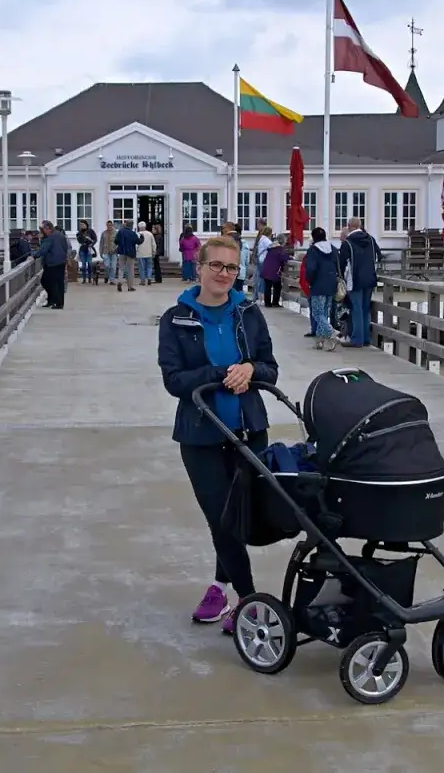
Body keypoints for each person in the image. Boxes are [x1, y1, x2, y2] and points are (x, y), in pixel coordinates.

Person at [158, 234, 279, 634]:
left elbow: (269, 367)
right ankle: (247, 601)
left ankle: (219, 586)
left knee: (239, 518)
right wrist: (224, 374)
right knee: (220, 520)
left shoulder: (248, 313)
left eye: (231, 267)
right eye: (217, 266)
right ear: (199, 267)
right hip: (200, 436)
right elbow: (175, 381)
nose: (224, 274)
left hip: (249, 430)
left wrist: (252, 370)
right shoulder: (175, 319)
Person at [337, 218, 381, 348]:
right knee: (365, 308)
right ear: (360, 226)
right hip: (370, 278)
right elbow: (378, 256)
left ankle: (357, 339)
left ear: (349, 226)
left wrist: (341, 277)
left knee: (356, 308)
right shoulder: (371, 240)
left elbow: (341, 263)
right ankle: (366, 338)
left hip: (354, 279)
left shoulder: (348, 243)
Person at [304, 227, 340, 350]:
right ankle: (320, 341)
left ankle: (331, 333)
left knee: (317, 313)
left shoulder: (313, 251)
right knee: (324, 312)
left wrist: (309, 280)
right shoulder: (333, 249)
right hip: (331, 283)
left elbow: (311, 269)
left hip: (318, 284)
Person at [33, 220, 70, 308]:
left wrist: (34, 255)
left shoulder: (49, 237)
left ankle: (56, 301)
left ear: (48, 229)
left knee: (46, 281)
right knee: (59, 283)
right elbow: (66, 247)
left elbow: (43, 249)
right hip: (61, 261)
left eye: (43, 229)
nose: (42, 231)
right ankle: (55, 301)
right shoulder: (60, 235)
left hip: (52, 262)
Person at [259, 232, 290, 307]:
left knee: (267, 287)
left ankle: (267, 303)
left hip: (266, 269)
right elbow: (283, 258)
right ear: (283, 241)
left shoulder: (271, 248)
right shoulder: (279, 249)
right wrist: (290, 258)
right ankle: (275, 302)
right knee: (277, 286)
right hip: (274, 271)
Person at [113, 220, 139, 292]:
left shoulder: (120, 232)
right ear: (131, 225)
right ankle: (130, 287)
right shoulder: (132, 233)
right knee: (130, 270)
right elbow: (138, 241)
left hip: (121, 252)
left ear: (126, 225)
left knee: (121, 268)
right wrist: (142, 238)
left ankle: (120, 281)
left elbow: (115, 241)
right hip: (130, 253)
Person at [75, 220, 98, 284]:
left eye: (82, 224)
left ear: (86, 224)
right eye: (80, 225)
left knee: (90, 264)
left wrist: (92, 244)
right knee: (83, 265)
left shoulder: (90, 231)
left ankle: (90, 278)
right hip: (82, 249)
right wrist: (81, 236)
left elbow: (95, 239)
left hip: (89, 249)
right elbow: (80, 241)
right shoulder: (79, 233)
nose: (81, 226)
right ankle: (84, 279)